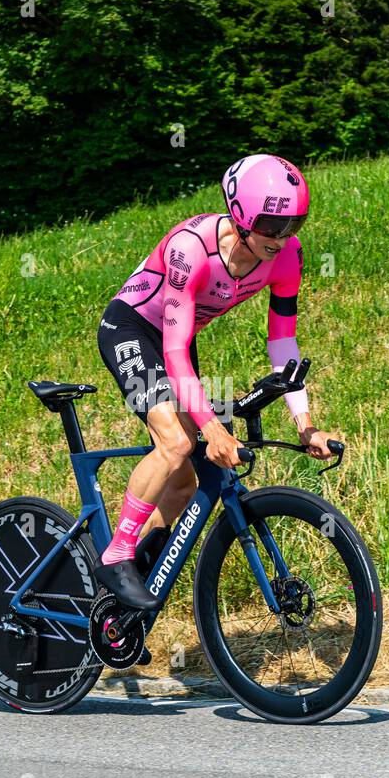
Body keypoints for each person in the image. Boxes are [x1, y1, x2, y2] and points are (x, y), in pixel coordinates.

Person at [95, 154, 340, 610]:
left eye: (293, 224)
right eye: (271, 225)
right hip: (132, 330)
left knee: (184, 483)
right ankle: (116, 555)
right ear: (242, 215)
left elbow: (283, 341)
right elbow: (170, 353)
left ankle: (123, 595)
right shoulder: (191, 250)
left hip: (179, 339)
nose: (281, 237)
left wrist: (305, 424)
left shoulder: (287, 256)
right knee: (176, 442)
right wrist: (210, 429)